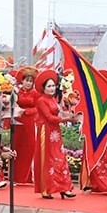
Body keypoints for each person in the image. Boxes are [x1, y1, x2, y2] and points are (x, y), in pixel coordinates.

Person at [32, 70, 75, 199]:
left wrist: (69, 113)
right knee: (46, 159)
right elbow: (49, 117)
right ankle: (46, 189)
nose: (51, 88)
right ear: (43, 88)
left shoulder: (54, 99)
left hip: (55, 131)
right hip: (46, 131)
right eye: (49, 86)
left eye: (53, 86)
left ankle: (64, 187)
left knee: (59, 157)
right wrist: (66, 119)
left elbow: (57, 114)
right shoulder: (41, 101)